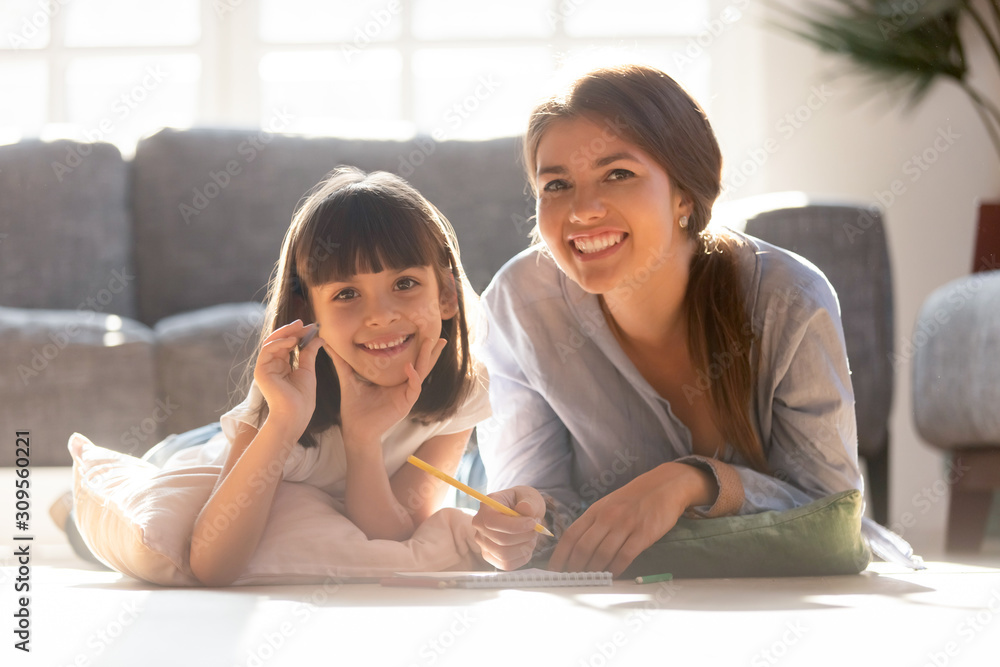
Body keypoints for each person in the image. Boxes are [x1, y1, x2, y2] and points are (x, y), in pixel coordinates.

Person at [470, 64, 863, 577]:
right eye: (557, 185)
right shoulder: (518, 306)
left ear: (684, 193)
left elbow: (831, 517)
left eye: (618, 174)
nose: (582, 210)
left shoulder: (788, 299)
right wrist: (520, 523)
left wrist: (692, 482)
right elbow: (543, 517)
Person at [188, 166, 490, 586]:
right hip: (200, 449)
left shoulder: (463, 388)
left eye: (405, 283)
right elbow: (212, 566)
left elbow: (396, 539)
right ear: (307, 315)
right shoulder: (284, 398)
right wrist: (282, 421)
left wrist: (362, 441)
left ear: (446, 297)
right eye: (346, 294)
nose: (381, 315)